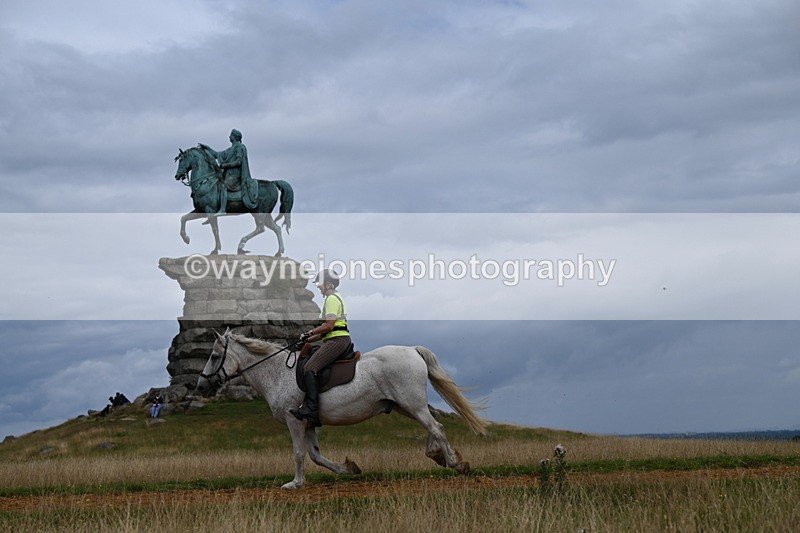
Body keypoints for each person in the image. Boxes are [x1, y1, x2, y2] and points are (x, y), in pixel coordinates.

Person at [290, 269, 352, 427]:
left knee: (310, 367)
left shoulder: (331, 299)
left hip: (337, 341)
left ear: (329, 284)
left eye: (320, 284)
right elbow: (326, 331)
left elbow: (329, 325)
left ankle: (311, 408)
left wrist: (310, 331)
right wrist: (307, 338)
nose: (318, 287)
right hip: (334, 338)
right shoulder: (335, 297)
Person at [197, 128, 254, 215]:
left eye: (230, 135)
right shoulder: (230, 149)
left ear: (235, 137)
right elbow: (217, 155)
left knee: (223, 186)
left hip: (236, 175)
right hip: (228, 174)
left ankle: (223, 209)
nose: (229, 137)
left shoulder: (240, 147)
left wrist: (225, 165)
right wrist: (207, 148)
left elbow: (239, 162)